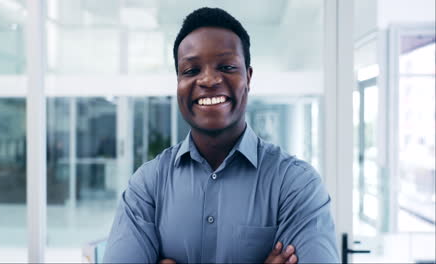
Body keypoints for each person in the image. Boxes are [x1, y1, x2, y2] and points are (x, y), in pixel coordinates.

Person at [103, 7, 339, 263]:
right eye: (191, 70)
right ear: (178, 83)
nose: (208, 79)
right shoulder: (148, 186)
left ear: (248, 78)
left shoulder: (295, 185)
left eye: (226, 66)